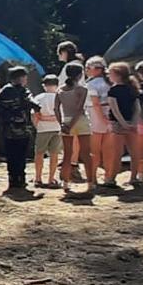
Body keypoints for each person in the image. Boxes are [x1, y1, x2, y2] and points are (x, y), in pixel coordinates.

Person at [0, 66, 39, 193]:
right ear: (21, 78)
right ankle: (18, 179)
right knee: (18, 155)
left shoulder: (6, 91)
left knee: (13, 155)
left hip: (12, 129)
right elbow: (33, 104)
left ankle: (15, 179)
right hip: (18, 128)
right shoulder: (19, 91)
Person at [56, 62, 96, 194]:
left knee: (67, 155)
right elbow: (79, 109)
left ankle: (65, 183)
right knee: (86, 153)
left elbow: (56, 109)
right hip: (80, 121)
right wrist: (71, 124)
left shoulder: (60, 90)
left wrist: (62, 123)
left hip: (66, 120)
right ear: (80, 75)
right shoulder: (82, 90)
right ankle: (90, 182)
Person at [99, 61, 139, 190]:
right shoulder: (133, 89)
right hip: (131, 123)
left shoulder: (113, 91)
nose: (108, 75)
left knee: (117, 153)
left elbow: (115, 110)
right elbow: (137, 109)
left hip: (118, 124)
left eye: (110, 73)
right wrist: (133, 122)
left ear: (117, 75)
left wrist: (123, 124)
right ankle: (134, 178)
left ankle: (111, 178)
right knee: (134, 152)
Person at [83, 56, 113, 187]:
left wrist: (103, 119)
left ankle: (93, 179)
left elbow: (96, 104)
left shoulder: (91, 84)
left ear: (96, 69)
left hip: (96, 116)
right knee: (108, 149)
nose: (86, 70)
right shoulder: (110, 82)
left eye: (88, 68)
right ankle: (108, 177)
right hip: (111, 113)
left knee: (94, 150)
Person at [32, 74, 63, 188]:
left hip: (42, 129)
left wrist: (38, 124)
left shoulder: (39, 98)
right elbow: (62, 115)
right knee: (54, 154)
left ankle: (38, 178)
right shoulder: (60, 97)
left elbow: (34, 115)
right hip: (57, 128)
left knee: (39, 154)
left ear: (44, 85)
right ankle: (51, 178)